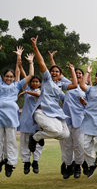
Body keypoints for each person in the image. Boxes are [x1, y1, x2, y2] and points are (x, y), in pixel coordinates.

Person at [28, 36, 77, 155]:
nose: (54, 72)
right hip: (43, 112)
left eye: (57, 72)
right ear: (50, 73)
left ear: (60, 75)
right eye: (52, 71)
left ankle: (40, 135)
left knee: (65, 134)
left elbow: (75, 85)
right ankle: (35, 137)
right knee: (56, 131)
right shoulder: (47, 79)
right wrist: (35, 47)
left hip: (56, 114)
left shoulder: (61, 85)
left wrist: (72, 70)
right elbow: (41, 63)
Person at [0, 47, 34, 177]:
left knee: (10, 141)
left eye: (11, 76)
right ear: (3, 77)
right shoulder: (0, 84)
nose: (8, 78)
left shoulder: (17, 85)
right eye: (6, 76)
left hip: (11, 117)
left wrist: (30, 62)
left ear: (14, 77)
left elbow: (30, 75)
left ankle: (10, 164)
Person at [59, 67, 86, 179]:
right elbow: (56, 72)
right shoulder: (69, 84)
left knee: (79, 144)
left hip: (79, 120)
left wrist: (84, 102)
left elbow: (90, 104)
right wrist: (51, 58)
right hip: (67, 119)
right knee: (67, 145)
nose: (78, 75)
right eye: (76, 73)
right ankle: (69, 165)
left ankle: (78, 166)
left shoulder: (86, 88)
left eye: (80, 73)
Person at [18, 74, 42, 175]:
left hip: (37, 121)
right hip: (26, 120)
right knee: (24, 143)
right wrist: (21, 65)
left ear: (40, 83)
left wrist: (27, 91)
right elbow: (25, 77)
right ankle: (26, 163)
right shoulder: (27, 89)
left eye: (37, 81)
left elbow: (37, 95)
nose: (35, 83)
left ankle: (35, 162)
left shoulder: (40, 91)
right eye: (33, 81)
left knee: (38, 143)